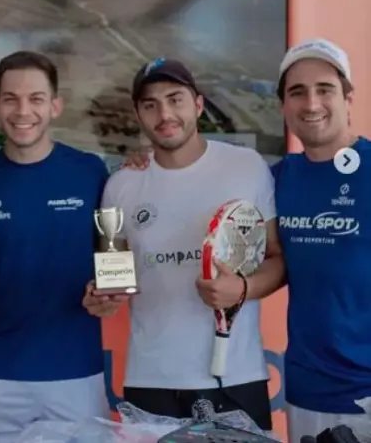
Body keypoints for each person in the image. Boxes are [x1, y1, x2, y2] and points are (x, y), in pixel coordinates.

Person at [84, 58, 285, 431]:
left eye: (175, 99)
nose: (165, 113)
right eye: (150, 104)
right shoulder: (121, 185)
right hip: (151, 380)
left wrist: (242, 289)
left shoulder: (247, 166)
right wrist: (104, 297)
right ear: (137, 115)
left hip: (235, 376)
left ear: (198, 104)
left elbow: (276, 258)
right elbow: (115, 274)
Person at [0, 51, 115, 440]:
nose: (22, 111)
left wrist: (112, 293)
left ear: (55, 106)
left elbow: (115, 253)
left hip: (77, 370)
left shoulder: (91, 172)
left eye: (35, 99)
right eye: (10, 98)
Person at [270, 39, 370, 442]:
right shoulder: (276, 179)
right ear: (283, 107)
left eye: (324, 89)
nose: (311, 103)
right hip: (306, 392)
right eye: (297, 92)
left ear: (348, 99)